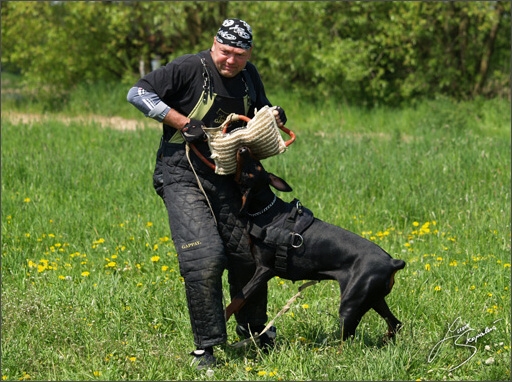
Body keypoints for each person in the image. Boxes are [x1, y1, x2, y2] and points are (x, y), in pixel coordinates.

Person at [127, 18, 287, 369]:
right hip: (180, 173)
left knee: (246, 254)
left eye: (240, 54)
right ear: (214, 44)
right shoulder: (188, 67)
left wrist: (271, 114)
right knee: (205, 257)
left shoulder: (249, 75)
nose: (231, 60)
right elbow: (137, 94)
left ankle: (254, 331)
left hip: (228, 175)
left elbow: (258, 108)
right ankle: (206, 349)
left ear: (249, 54)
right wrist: (184, 123)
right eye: (226, 52)